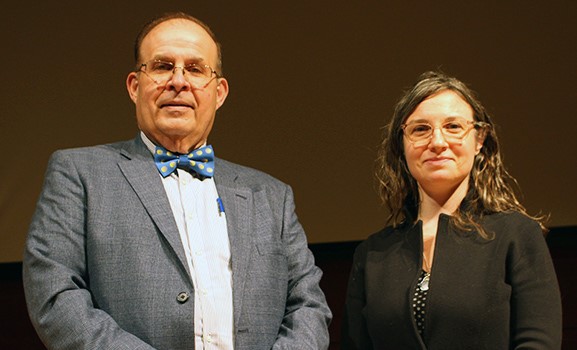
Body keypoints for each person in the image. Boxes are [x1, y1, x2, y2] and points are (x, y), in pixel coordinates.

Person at [23, 12, 331, 350]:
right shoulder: (79, 173)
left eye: (196, 69)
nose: (178, 81)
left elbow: (308, 306)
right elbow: (55, 295)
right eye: (162, 66)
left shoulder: (272, 195)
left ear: (219, 92)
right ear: (134, 86)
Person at [341, 71, 562, 349]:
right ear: (402, 144)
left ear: (479, 139)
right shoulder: (372, 254)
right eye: (420, 129)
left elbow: (538, 342)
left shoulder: (516, 235)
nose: (437, 142)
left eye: (453, 127)